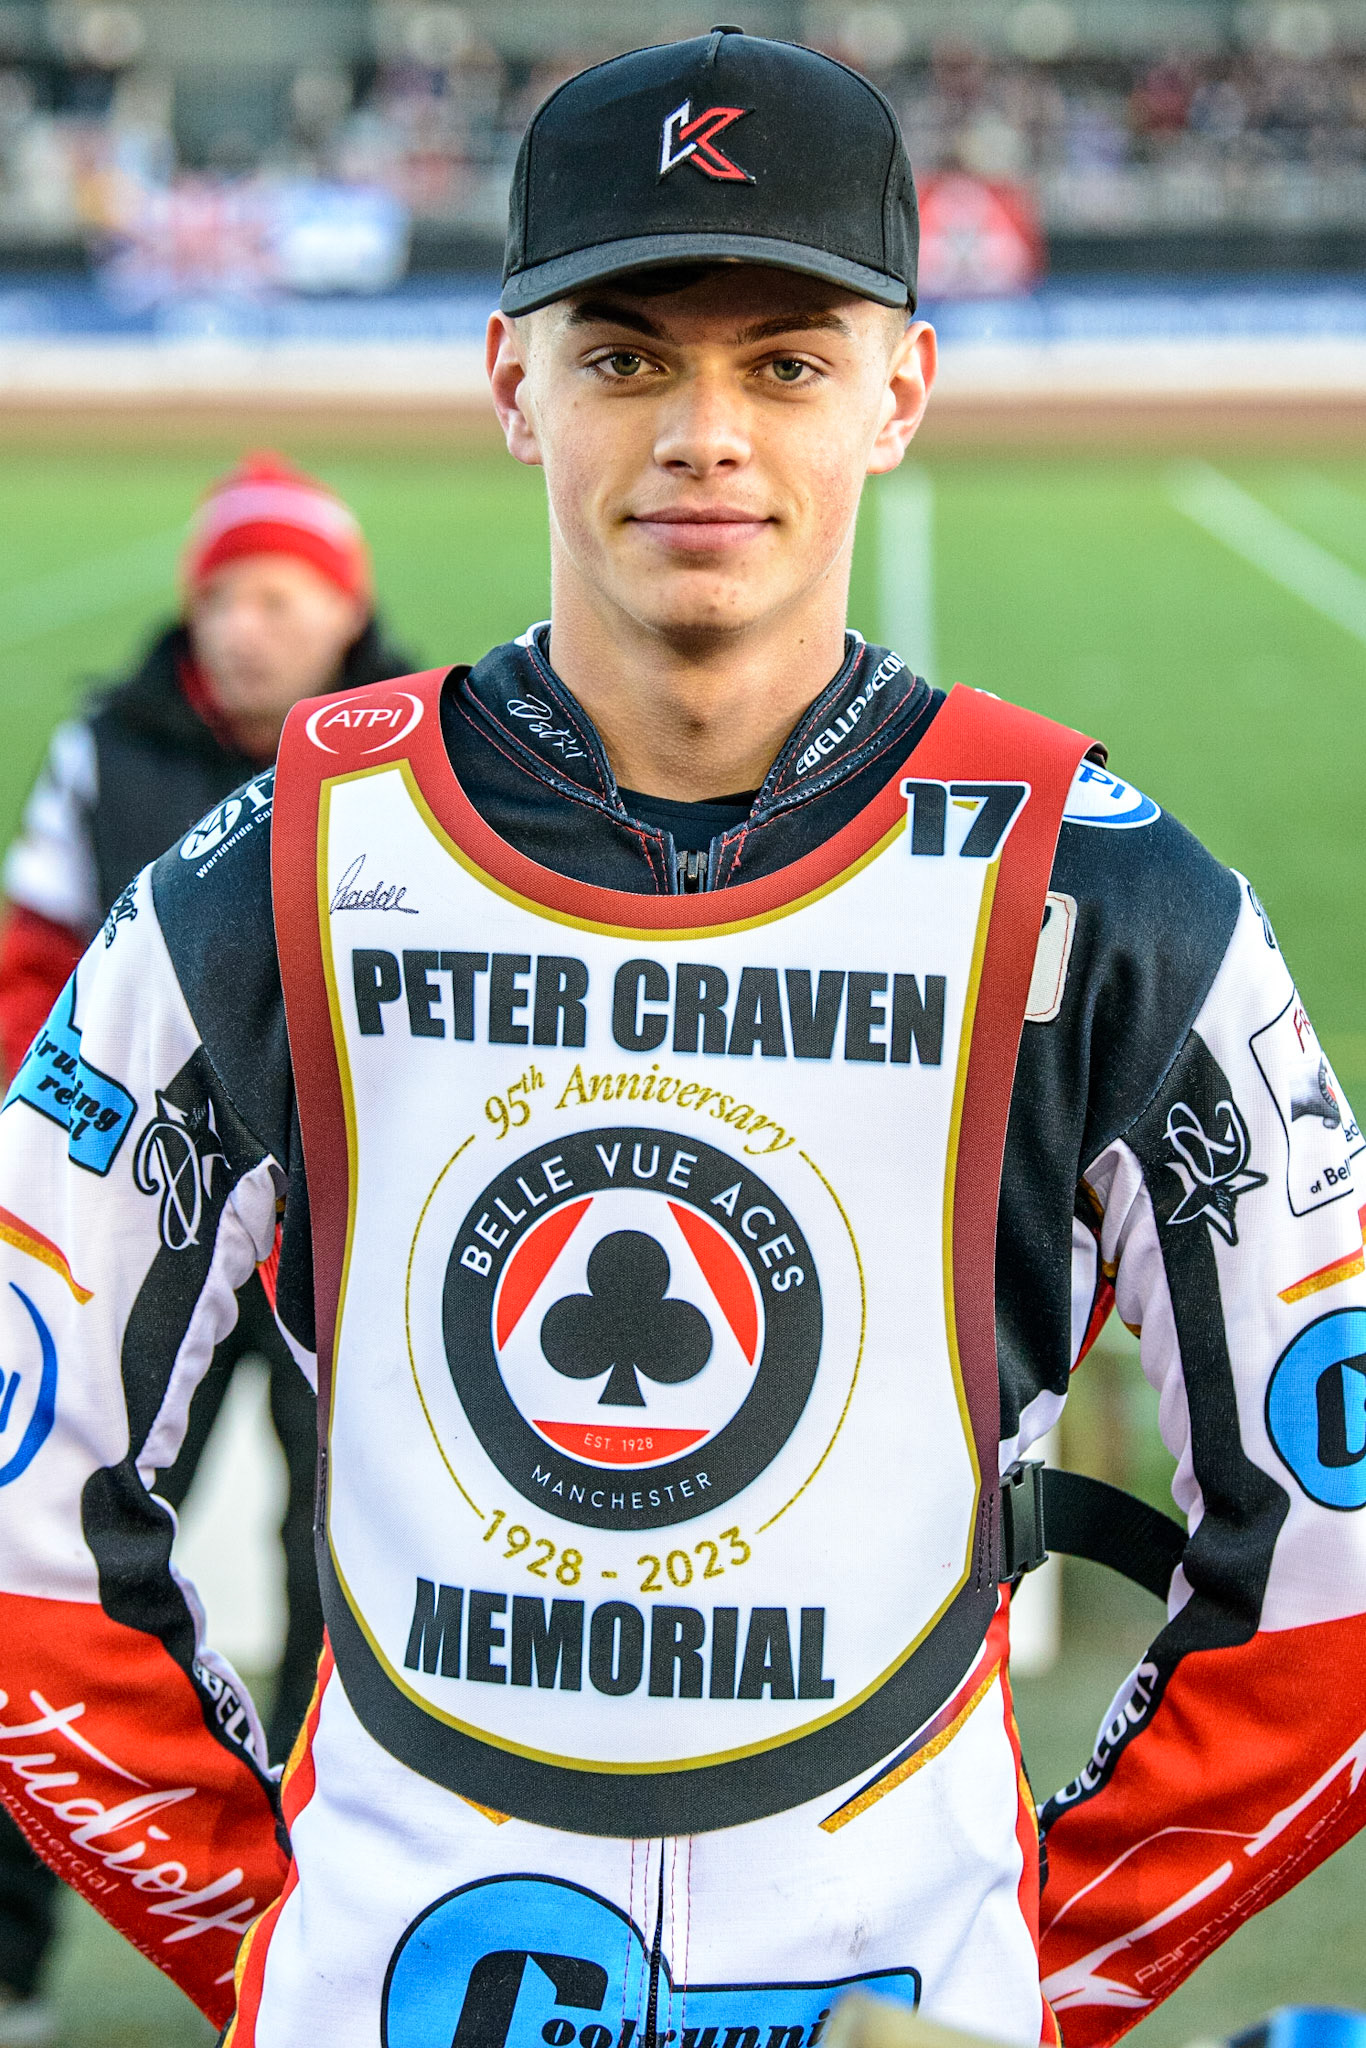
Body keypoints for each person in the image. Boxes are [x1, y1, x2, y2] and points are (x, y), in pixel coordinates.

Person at [0, 31, 1363, 2048]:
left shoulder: (1111, 901)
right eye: (627, 353)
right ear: (509, 380)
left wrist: (1029, 1982)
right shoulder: (271, 869)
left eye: (785, 359)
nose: (703, 432)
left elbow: (1328, 1550)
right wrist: (279, 1949)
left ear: (898, 385)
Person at [0, 453, 413, 2043]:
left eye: (280, 596)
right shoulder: (106, 747)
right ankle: (13, 1961)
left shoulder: (414, 758)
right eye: (222, 595)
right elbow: (31, 970)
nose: (244, 628)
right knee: (41, 1564)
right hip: (131, 1248)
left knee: (357, 1593)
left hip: (328, 1254)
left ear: (344, 610)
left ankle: (346, 1946)